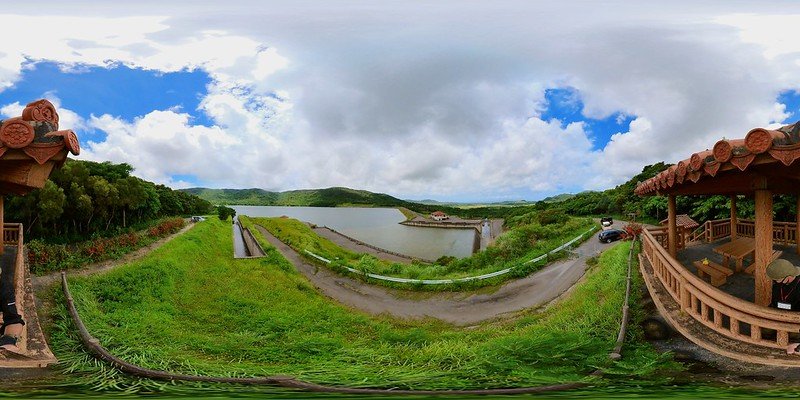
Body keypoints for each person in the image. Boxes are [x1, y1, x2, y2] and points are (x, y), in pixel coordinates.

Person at [766, 259, 800, 355]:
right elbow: (773, 302)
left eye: (776, 280)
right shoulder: (778, 285)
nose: (775, 282)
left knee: (793, 334)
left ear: (788, 277)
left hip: (795, 319)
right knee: (765, 329)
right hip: (777, 314)